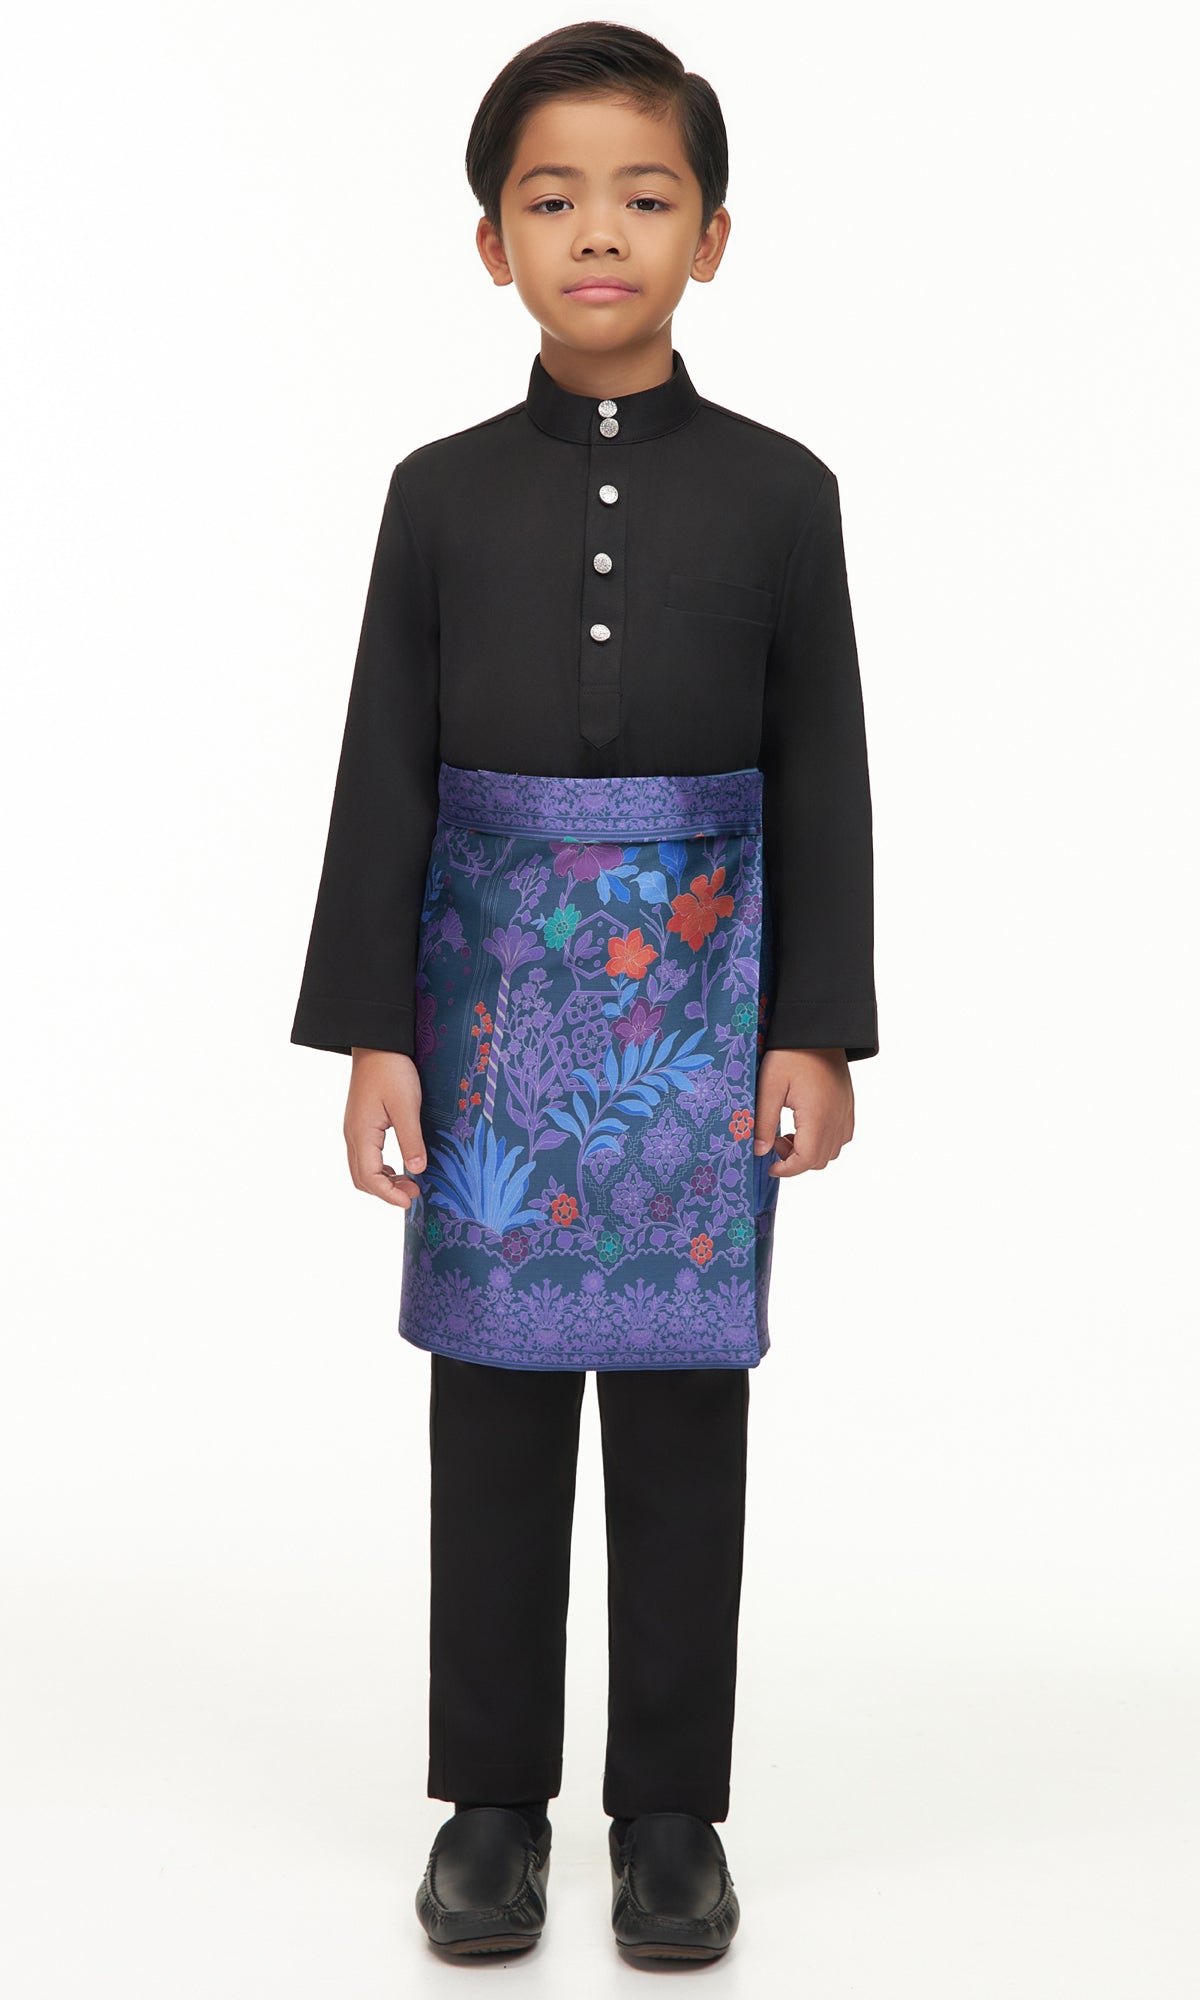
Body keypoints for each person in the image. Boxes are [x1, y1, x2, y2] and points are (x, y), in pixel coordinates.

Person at [290, 19, 877, 1964]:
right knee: (494, 1410)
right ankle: (489, 1806)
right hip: (489, 1014)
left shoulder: (784, 493)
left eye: (644, 196)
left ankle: (673, 1814)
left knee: (688, 1408)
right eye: (554, 201)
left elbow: (823, 766)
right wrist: (377, 1029)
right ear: (494, 245)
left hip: (701, 1007)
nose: (599, 233)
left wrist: (815, 1023)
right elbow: (383, 766)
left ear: (713, 236)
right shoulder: (437, 494)